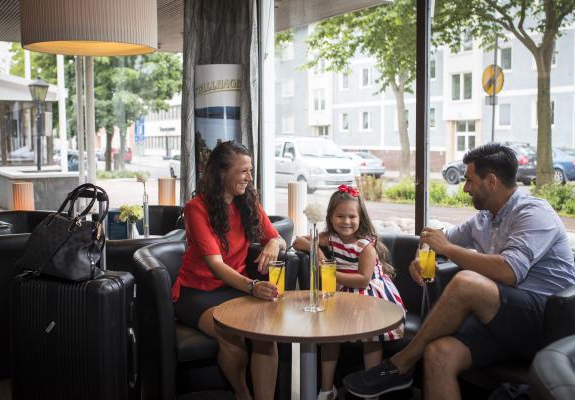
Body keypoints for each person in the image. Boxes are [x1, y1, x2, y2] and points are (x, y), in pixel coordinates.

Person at [343, 143, 575, 400]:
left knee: (466, 281)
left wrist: (448, 249)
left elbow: (510, 271)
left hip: (546, 318)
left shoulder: (534, 213)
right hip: (502, 317)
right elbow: (437, 237)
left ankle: (402, 363)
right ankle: (408, 363)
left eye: (469, 180)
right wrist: (423, 255)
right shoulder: (485, 218)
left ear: (491, 181)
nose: (465, 188)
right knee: (438, 354)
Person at [171, 141, 286, 400]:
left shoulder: (248, 203)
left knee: (266, 337)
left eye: (250, 171)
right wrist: (254, 286)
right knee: (231, 335)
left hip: (234, 289)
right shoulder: (195, 208)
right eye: (243, 171)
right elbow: (216, 265)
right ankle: (242, 395)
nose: (249, 178)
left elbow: (279, 238)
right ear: (222, 172)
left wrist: (272, 243)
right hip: (197, 292)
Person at [293, 184, 405, 400]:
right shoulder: (331, 238)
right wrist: (315, 247)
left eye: (352, 216)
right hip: (344, 292)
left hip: (370, 293)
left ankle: (372, 390)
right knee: (329, 335)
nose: (346, 222)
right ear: (331, 217)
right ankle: (327, 389)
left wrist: (328, 269)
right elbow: (299, 240)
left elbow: (363, 280)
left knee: (371, 337)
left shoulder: (365, 246)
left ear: (360, 218)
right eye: (340, 216)